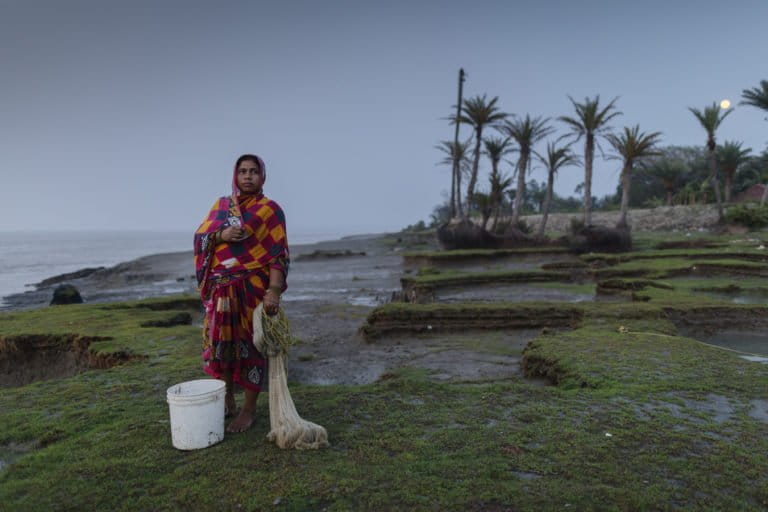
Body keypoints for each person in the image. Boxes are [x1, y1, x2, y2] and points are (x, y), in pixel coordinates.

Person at [194, 154, 289, 433]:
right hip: (222, 290)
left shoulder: (270, 211)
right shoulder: (221, 206)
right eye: (242, 171)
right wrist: (219, 236)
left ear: (263, 177)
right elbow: (200, 238)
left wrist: (273, 291)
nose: (247, 176)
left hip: (253, 291)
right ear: (235, 176)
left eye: (253, 171)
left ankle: (248, 410)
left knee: (252, 347)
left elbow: (277, 256)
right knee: (223, 346)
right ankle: (226, 400)